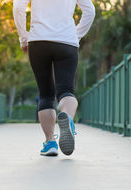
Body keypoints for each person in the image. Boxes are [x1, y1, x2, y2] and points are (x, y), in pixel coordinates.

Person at [13, 0, 95, 156]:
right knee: (66, 91)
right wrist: (75, 35)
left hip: (38, 42)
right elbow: (90, 11)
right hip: (67, 42)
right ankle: (68, 120)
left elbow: (18, 7)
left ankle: (50, 142)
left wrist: (23, 38)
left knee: (45, 94)